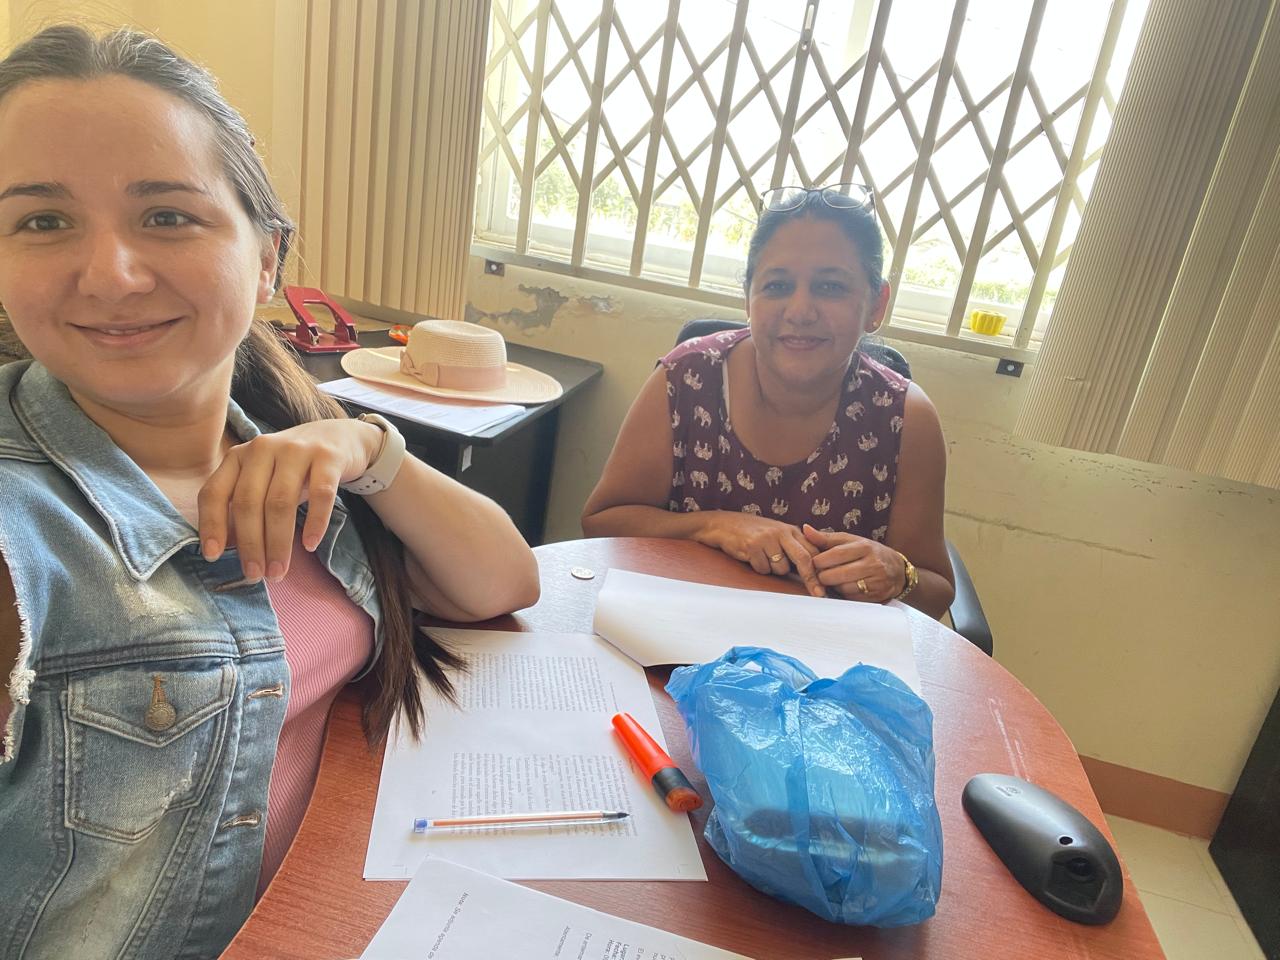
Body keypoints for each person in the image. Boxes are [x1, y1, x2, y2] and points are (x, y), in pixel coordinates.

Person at [0, 25, 539, 960]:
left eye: (167, 215)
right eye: (43, 222)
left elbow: (503, 583)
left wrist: (368, 445)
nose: (111, 274)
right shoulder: (23, 533)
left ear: (266, 259)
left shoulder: (283, 442)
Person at [582, 184, 955, 618]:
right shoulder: (686, 378)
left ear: (877, 304)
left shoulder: (905, 417)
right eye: (777, 285)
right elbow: (602, 522)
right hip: (678, 631)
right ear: (748, 296)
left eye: (830, 287)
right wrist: (714, 525)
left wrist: (898, 574)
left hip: (825, 650)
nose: (800, 311)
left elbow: (937, 590)